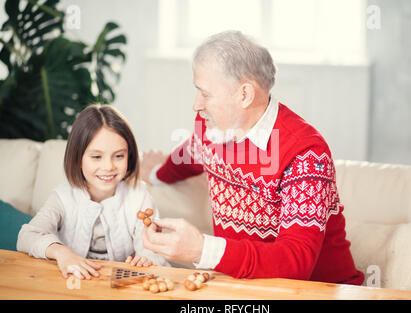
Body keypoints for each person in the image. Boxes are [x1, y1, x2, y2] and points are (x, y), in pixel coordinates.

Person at [141, 31, 364, 285]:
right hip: (247, 290)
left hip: (319, 292)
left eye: (205, 93)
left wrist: (201, 249)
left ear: (244, 95)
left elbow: (296, 261)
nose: (196, 104)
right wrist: (156, 173)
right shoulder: (212, 129)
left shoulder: (306, 153)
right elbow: (189, 156)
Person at [17, 104, 169, 280]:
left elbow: (152, 246)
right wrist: (61, 252)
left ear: (130, 156)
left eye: (119, 156)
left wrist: (147, 258)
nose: (108, 167)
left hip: (121, 286)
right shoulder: (62, 197)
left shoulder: (139, 197)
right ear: (77, 158)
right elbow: (26, 236)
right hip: (75, 284)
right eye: (96, 157)